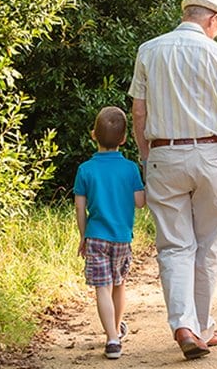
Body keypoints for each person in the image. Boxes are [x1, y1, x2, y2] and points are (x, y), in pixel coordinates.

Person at [128, 0, 217, 360]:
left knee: (174, 246)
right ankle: (202, 326)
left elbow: (138, 113)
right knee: (208, 245)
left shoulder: (149, 50)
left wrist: (148, 158)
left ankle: (184, 325)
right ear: (212, 19)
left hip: (163, 154)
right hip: (209, 155)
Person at [73, 106, 147, 360]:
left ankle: (112, 338)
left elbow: (80, 207)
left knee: (102, 288)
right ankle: (115, 329)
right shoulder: (129, 169)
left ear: (93, 135)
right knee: (119, 284)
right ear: (124, 139)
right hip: (122, 238)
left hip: (95, 236)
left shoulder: (85, 170)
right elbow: (140, 202)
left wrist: (83, 236)